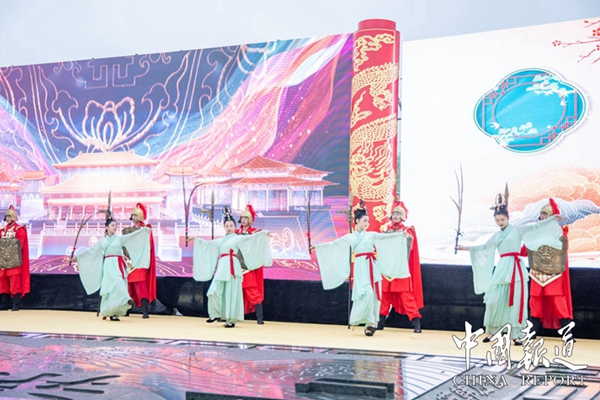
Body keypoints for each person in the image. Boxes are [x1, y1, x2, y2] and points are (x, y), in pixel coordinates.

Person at [456, 190, 563, 345]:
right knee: (493, 301)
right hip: (502, 269)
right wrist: (464, 248)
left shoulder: (517, 230)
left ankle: (516, 335)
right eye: (497, 220)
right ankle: (492, 332)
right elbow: (484, 247)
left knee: (516, 303)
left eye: (502, 219)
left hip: (516, 268)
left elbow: (535, 227)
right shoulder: (496, 235)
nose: (500, 222)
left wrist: (552, 220)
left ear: (508, 218)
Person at [312, 202, 410, 336]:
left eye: (368, 221)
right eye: (364, 221)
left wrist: (400, 235)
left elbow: (386, 238)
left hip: (371, 265)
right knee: (366, 293)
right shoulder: (350, 237)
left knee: (373, 294)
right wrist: (318, 247)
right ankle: (366, 320)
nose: (367, 223)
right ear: (357, 221)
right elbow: (335, 244)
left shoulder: (371, 235)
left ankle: (371, 324)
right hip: (360, 267)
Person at [190, 207, 272, 328]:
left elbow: (252, 239)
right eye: (227, 226)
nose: (229, 228)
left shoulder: (238, 237)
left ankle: (232, 320)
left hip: (234, 266)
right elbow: (209, 244)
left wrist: (264, 233)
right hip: (223, 266)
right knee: (215, 289)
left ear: (234, 227)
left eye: (231, 226)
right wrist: (196, 240)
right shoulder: (223, 240)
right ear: (224, 227)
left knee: (233, 293)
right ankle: (215, 313)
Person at [76, 214, 151, 321]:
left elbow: (132, 237)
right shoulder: (102, 241)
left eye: (115, 225)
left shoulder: (119, 239)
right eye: (112, 225)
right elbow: (91, 251)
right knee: (111, 287)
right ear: (106, 227)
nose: (115, 227)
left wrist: (144, 231)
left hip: (118, 264)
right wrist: (78, 257)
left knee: (119, 283)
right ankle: (116, 308)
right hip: (108, 265)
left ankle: (122, 304)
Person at [527, 198, 573, 336]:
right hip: (538, 271)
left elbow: (563, 247)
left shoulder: (558, 231)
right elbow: (526, 248)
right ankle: (532, 331)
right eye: (542, 214)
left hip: (553, 272)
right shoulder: (534, 231)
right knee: (535, 301)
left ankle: (567, 332)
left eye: (546, 214)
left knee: (558, 301)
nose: (543, 216)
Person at [378, 199, 424, 333]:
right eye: (394, 214)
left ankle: (416, 322)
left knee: (406, 296)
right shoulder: (387, 230)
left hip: (400, 268)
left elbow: (410, 246)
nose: (396, 216)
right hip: (388, 267)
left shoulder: (407, 230)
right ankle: (380, 322)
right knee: (384, 296)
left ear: (402, 216)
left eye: (398, 214)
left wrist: (405, 237)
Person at [122, 203, 156, 319]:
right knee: (129, 287)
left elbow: (148, 245)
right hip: (131, 261)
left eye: (136, 215)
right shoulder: (130, 230)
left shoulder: (145, 229)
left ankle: (145, 312)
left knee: (141, 287)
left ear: (140, 216)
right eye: (133, 215)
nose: (134, 218)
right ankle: (127, 310)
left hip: (140, 261)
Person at [236, 204, 265, 324]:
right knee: (234, 292)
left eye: (246, 218)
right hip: (236, 265)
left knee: (252, 291)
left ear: (250, 220)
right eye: (242, 218)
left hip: (248, 267)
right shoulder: (236, 232)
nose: (243, 220)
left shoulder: (254, 233)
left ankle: (260, 318)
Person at [0, 206, 30, 311]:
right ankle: (4, 304)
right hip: (2, 261)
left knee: (14, 283)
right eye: (7, 216)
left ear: (13, 217)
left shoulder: (19, 229)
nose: (8, 218)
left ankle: (15, 304)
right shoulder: (2, 230)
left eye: (9, 216)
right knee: (2, 283)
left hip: (14, 261)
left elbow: (20, 244)